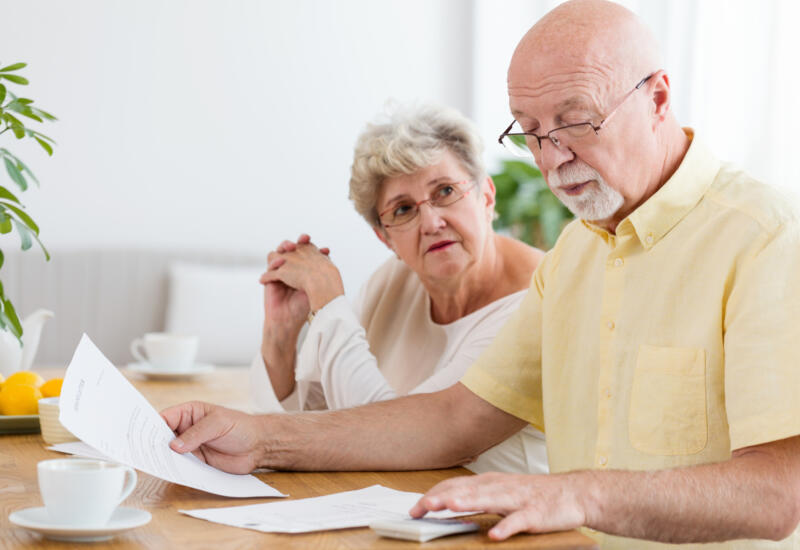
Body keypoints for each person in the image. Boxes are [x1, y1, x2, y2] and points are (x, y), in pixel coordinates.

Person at [161, 1, 800, 547]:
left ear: (658, 97)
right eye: (532, 133)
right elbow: (452, 421)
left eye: (575, 121)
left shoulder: (765, 238)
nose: (555, 158)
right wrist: (263, 439)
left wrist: (578, 495)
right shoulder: (577, 256)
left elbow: (781, 494)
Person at [249, 103, 547, 474]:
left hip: (500, 524)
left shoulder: (539, 299)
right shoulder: (394, 281)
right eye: (403, 210)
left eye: (445, 191)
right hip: (401, 510)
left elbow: (397, 441)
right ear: (385, 237)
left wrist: (329, 303)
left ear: (485, 196)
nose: (432, 222)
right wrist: (281, 333)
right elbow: (319, 417)